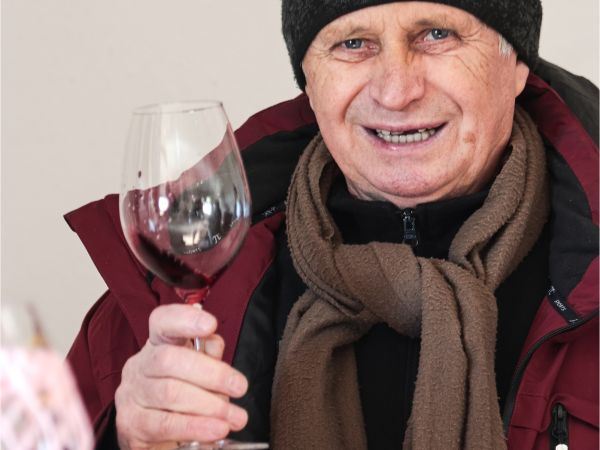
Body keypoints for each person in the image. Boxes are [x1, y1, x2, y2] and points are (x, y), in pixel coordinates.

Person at [65, 1, 599, 449]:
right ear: (310, 80)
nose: (395, 91)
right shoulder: (164, 305)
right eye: (353, 43)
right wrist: (124, 442)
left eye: (437, 34)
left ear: (516, 63)